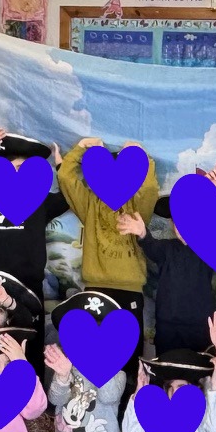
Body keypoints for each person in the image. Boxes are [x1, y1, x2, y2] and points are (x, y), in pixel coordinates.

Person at [58, 137, 159, 397]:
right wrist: (80, 148)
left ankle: (125, 410)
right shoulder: (89, 204)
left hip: (130, 292)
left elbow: (149, 189)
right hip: (96, 289)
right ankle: (88, 407)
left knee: (128, 358)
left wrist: (141, 156)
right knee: (90, 356)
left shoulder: (138, 209)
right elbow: (67, 179)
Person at [44, 291, 127, 432]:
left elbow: (109, 396)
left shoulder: (117, 373)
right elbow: (54, 400)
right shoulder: (64, 366)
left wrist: (97, 363)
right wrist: (63, 376)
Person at [0, 126, 66, 297]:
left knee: (28, 316)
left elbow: (70, 197)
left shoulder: (43, 203)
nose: (17, 174)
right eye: (12, 169)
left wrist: (61, 166)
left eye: (22, 169)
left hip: (30, 285)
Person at [118, 182, 216, 354]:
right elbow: (150, 245)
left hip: (200, 327)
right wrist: (142, 232)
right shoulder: (167, 248)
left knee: (201, 367)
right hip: (168, 328)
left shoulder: (208, 248)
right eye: (177, 220)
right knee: (166, 367)